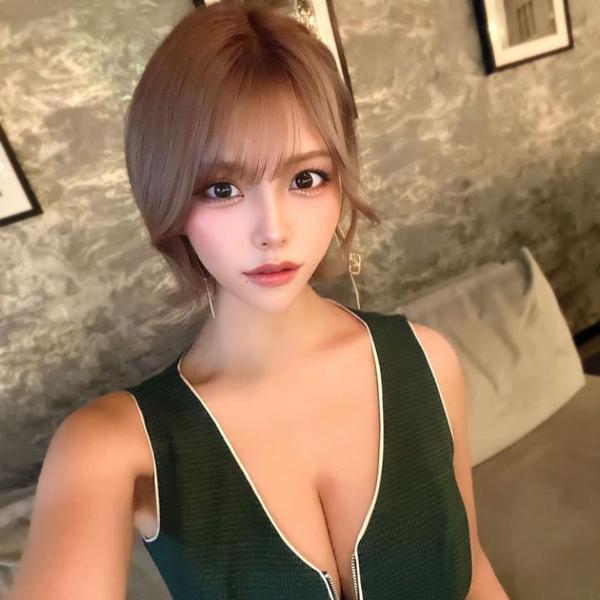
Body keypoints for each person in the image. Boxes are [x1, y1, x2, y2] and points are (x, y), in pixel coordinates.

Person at [7, 3, 509, 599]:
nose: (273, 230)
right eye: (222, 188)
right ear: (167, 196)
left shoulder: (428, 362)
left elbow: (473, 574)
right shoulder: (110, 448)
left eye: (305, 179)